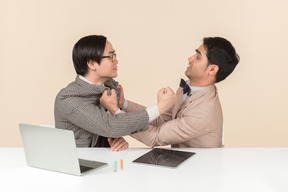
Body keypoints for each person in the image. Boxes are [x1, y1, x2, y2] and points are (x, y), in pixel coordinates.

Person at [101, 36, 239, 148]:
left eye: (197, 56)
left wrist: (116, 112)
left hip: (198, 173)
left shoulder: (203, 113)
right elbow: (161, 120)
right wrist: (123, 104)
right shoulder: (188, 87)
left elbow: (154, 137)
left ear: (212, 70)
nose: (190, 58)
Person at [54, 35, 176, 151]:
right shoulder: (68, 99)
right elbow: (110, 126)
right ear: (91, 64)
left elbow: (111, 128)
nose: (116, 61)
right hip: (76, 166)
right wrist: (160, 107)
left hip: (104, 163)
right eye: (111, 56)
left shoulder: (110, 88)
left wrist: (115, 141)